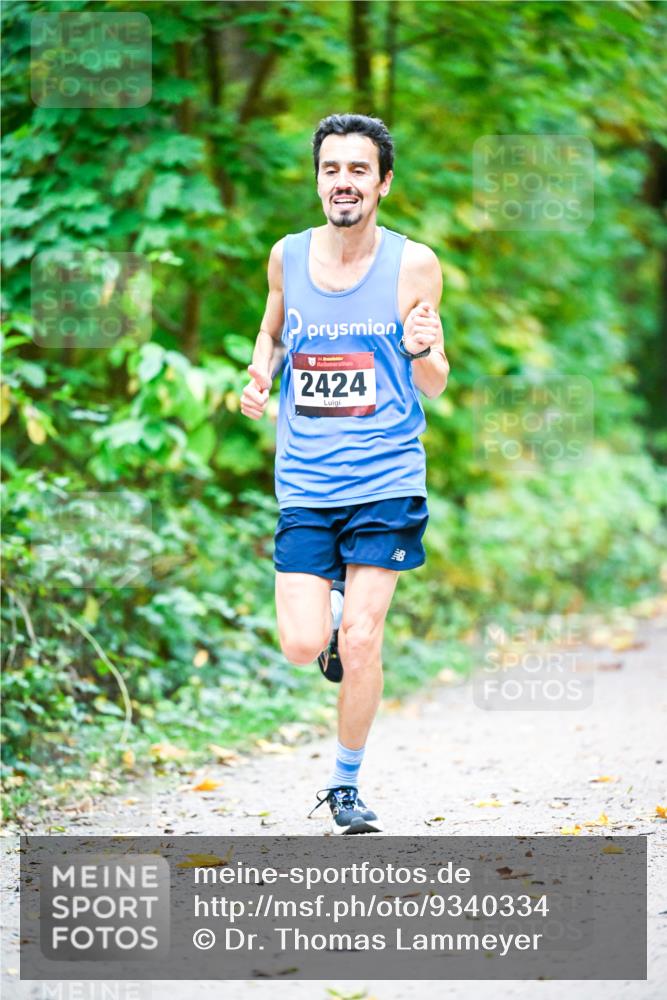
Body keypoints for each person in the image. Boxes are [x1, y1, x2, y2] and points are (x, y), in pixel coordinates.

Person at [240, 113, 449, 834]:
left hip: (386, 476)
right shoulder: (287, 257)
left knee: (362, 640)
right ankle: (325, 622)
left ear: (383, 183)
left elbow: (436, 381)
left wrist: (422, 349)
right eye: (332, 169)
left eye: (359, 170)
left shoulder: (414, 265)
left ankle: (345, 784)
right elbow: (271, 328)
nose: (343, 182)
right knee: (304, 644)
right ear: (318, 179)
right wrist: (259, 372)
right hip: (305, 481)